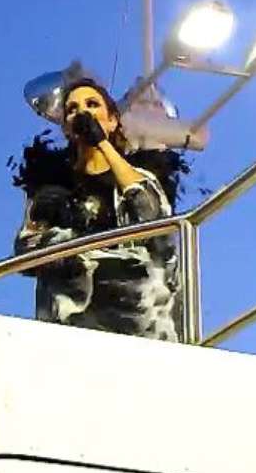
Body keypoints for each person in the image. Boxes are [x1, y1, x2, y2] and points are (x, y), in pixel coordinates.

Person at [11, 78, 186, 342]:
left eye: (92, 104)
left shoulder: (136, 177)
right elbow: (25, 251)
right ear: (66, 128)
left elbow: (155, 222)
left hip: (140, 328)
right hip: (70, 329)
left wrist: (102, 143)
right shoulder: (52, 190)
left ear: (112, 120)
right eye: (72, 109)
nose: (82, 112)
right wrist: (61, 235)